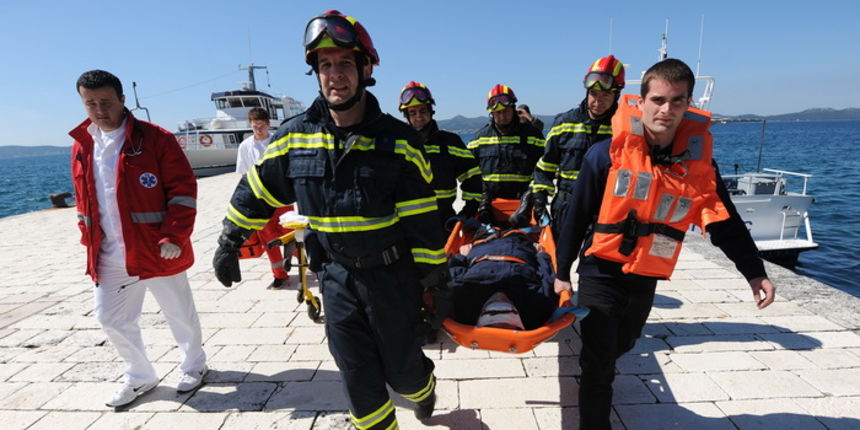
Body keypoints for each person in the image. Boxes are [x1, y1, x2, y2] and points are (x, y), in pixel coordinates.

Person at [211, 10, 445, 428]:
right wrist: (229, 240)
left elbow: (421, 218)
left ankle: (423, 388)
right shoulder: (294, 136)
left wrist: (431, 282)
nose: (334, 75)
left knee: (403, 371)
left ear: (365, 69)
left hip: (391, 278)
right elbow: (258, 190)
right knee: (358, 380)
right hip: (334, 277)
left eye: (344, 63)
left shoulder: (399, 141)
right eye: (324, 65)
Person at [553, 58, 777, 429]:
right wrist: (562, 273)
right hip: (601, 268)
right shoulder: (603, 155)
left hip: (647, 271)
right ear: (641, 102)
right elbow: (576, 218)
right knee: (597, 359)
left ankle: (606, 364)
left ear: (688, 103)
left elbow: (725, 224)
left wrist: (755, 273)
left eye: (677, 101)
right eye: (658, 99)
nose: (666, 110)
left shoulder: (701, 166)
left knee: (625, 341)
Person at [70, 70, 207, 407]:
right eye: (90, 103)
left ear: (122, 100)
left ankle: (194, 365)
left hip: (159, 248)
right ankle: (140, 375)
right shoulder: (81, 144)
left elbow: (183, 189)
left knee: (178, 313)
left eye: (105, 102)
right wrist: (86, 236)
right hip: (109, 253)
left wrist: (174, 235)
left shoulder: (155, 138)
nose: (99, 110)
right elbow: (83, 197)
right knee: (109, 318)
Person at [529, 55, 625, 235]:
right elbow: (546, 165)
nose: (598, 101)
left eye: (606, 94)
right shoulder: (564, 123)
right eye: (593, 94)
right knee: (558, 261)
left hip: (606, 210)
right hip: (566, 206)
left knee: (595, 262)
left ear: (617, 94)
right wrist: (540, 200)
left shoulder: (623, 127)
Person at [398, 81, 482, 227]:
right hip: (407, 224)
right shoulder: (399, 144)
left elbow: (472, 175)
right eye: (412, 112)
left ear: (431, 111)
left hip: (444, 220)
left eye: (423, 111)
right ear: (406, 116)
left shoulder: (451, 141)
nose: (418, 117)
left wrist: (469, 208)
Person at [449, 228, 557, 330]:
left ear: (480, 313)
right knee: (518, 226)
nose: (500, 297)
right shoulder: (537, 306)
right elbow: (547, 276)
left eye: (491, 311)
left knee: (484, 222)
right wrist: (541, 255)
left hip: (483, 244)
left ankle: (485, 213)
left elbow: (453, 273)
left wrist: (461, 256)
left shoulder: (464, 302)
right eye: (510, 309)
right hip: (517, 243)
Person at [467, 84, 545, 225]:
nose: (502, 116)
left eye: (506, 111)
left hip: (525, 208)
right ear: (491, 113)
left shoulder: (533, 137)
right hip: (489, 209)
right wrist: (482, 200)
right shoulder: (478, 140)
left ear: (514, 109)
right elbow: (471, 176)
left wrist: (534, 198)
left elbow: (543, 171)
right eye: (497, 113)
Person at [235, 107, 293, 289]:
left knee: (291, 235)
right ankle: (279, 274)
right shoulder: (245, 146)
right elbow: (243, 175)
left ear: (268, 124)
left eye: (261, 125)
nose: (258, 129)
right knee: (269, 239)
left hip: (282, 197)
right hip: (260, 200)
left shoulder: (278, 141)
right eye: (254, 126)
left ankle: (308, 264)